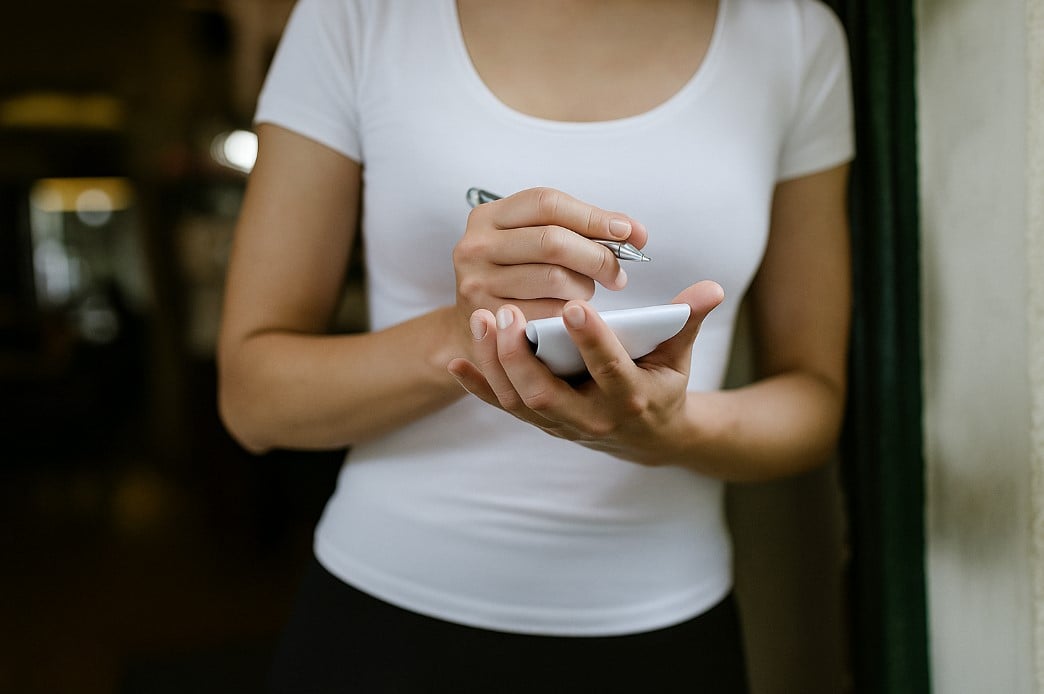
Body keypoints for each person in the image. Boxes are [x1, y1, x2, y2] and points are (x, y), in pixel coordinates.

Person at [217, 0, 853, 690]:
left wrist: (669, 428)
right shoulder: (362, 16)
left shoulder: (790, 35)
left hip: (661, 629)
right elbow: (253, 400)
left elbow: (814, 401)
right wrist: (458, 338)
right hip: (386, 617)